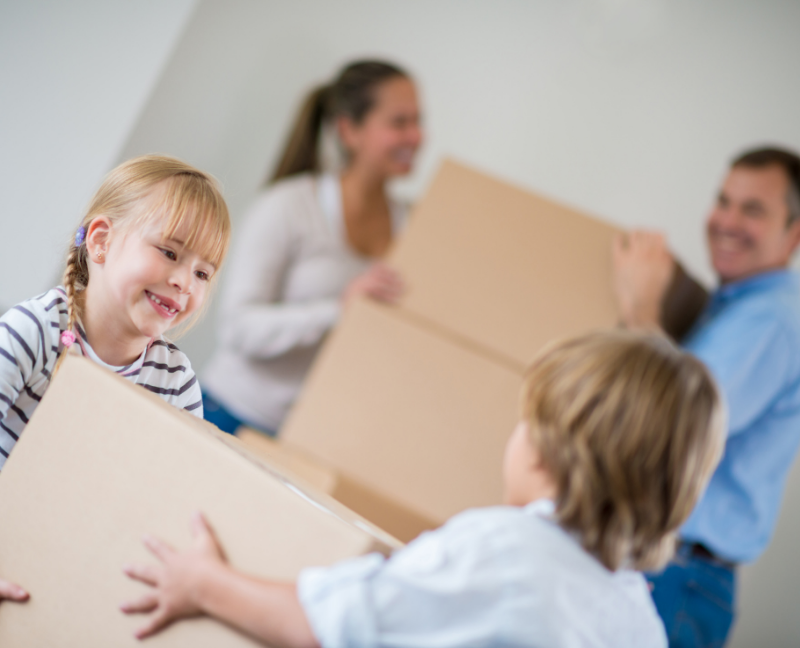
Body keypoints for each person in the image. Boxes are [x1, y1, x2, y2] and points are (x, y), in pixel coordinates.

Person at [121, 330, 724, 648]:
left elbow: (326, 623)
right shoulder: (639, 619)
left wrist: (204, 584)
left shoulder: (507, 551)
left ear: (551, 449)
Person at [0, 154, 231, 606]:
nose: (185, 281)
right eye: (170, 252)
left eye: (203, 272)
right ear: (102, 241)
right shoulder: (34, 331)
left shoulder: (176, 380)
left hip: (72, 562)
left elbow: (174, 496)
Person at [612, 146, 800, 647]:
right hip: (663, 564)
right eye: (724, 201)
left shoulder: (772, 321)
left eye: (753, 210)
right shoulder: (732, 310)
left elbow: (680, 426)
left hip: (678, 575)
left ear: (794, 233)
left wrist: (641, 312)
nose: (727, 221)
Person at [201, 59, 422, 436]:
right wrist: (338, 311)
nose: (416, 137)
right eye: (399, 123)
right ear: (349, 131)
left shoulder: (414, 225)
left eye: (418, 122)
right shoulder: (287, 207)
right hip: (230, 416)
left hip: (307, 440)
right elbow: (237, 327)